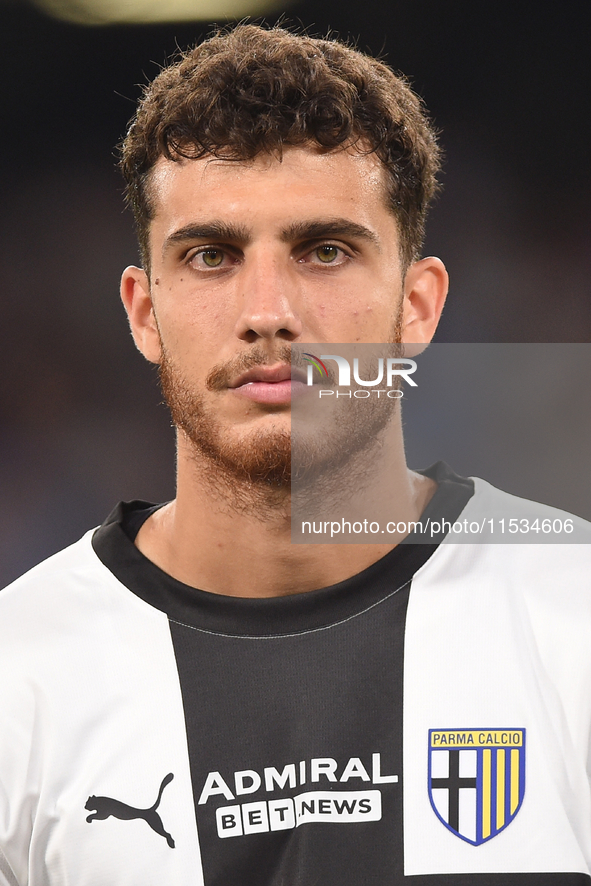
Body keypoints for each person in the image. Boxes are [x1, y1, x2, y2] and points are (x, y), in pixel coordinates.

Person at [1, 23, 590, 886]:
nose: (268, 310)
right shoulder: (19, 679)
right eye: (210, 256)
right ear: (141, 313)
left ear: (418, 306)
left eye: (324, 251)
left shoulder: (572, 614)